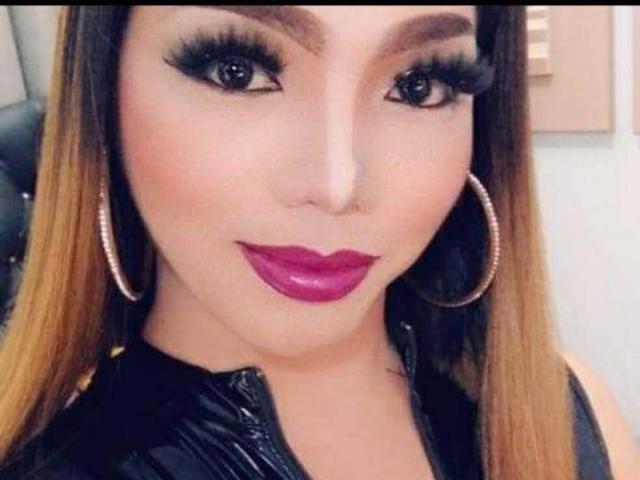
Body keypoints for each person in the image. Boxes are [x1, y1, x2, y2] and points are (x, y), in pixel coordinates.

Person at [0, 5, 637, 480]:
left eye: (418, 84)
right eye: (237, 69)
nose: (337, 186)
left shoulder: (570, 418)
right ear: (103, 98)